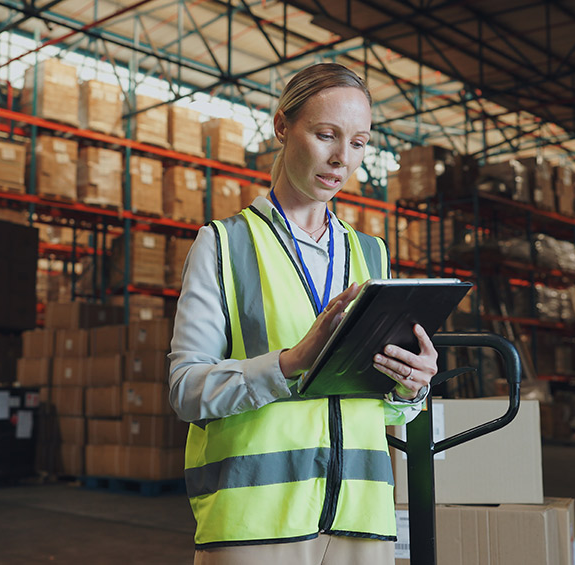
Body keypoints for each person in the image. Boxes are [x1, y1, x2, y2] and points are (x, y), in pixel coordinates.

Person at [168, 62, 439, 565]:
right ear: (281, 127)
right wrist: (290, 362)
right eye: (326, 134)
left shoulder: (371, 254)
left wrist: (410, 387)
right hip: (256, 522)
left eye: (358, 143)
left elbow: (379, 406)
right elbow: (186, 391)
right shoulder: (225, 244)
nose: (342, 158)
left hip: (361, 518)